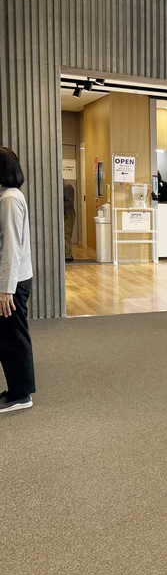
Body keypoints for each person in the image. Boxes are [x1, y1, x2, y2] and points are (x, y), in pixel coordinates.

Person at [0, 148, 36, 413]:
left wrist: (5, 290)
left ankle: (21, 395)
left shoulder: (10, 199)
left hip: (13, 283)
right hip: (13, 280)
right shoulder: (8, 195)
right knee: (8, 336)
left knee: (13, 337)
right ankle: (16, 389)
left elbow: (11, 246)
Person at [63, 181, 75, 262]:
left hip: (68, 214)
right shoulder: (64, 185)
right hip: (65, 213)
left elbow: (69, 203)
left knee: (67, 234)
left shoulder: (67, 186)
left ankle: (68, 254)